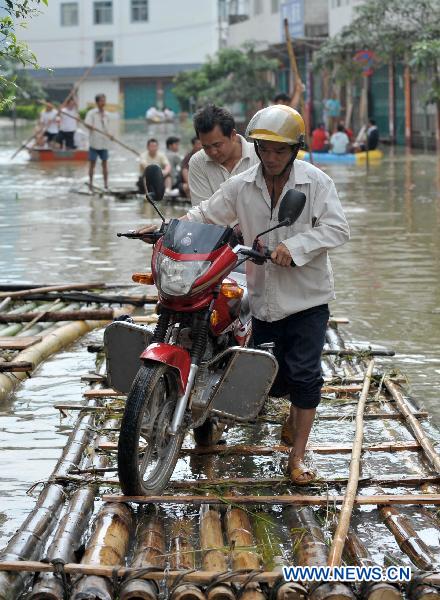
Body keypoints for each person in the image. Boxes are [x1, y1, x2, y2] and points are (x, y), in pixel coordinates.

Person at [138, 105, 350, 484]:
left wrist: (296, 247)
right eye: (264, 150)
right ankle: (286, 414)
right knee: (272, 381)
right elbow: (205, 214)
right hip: (263, 297)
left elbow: (337, 229)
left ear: (295, 150)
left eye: (279, 151)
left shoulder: (317, 183)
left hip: (306, 298)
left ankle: (297, 457)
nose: (270, 158)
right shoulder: (241, 185)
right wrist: (164, 228)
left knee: (304, 376)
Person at [188, 104, 259, 207]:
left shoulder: (259, 156)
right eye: (206, 147)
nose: (213, 152)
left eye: (217, 145)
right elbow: (201, 212)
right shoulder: (198, 162)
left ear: (233, 135)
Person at [84, 94, 112, 190]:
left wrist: (110, 135)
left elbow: (107, 128)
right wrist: (90, 126)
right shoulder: (91, 113)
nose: (103, 103)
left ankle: (106, 185)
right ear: (97, 102)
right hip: (94, 142)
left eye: (104, 100)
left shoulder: (107, 114)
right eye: (101, 101)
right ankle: (91, 184)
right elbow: (86, 124)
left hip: (104, 143)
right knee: (92, 164)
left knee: (105, 164)